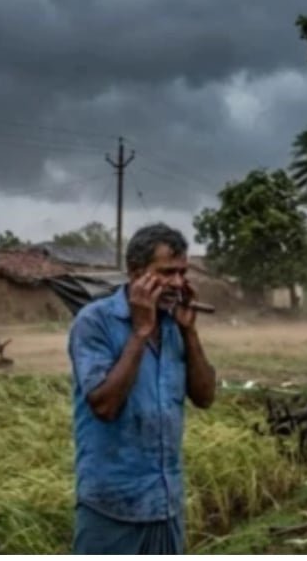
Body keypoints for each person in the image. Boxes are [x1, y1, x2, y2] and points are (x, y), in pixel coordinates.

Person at [67, 223, 217, 555]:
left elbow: (205, 397)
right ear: (136, 273)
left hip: (166, 504)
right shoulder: (94, 322)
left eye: (182, 272)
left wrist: (190, 332)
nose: (177, 283)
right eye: (166, 272)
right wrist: (140, 331)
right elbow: (104, 406)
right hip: (111, 507)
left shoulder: (174, 323)